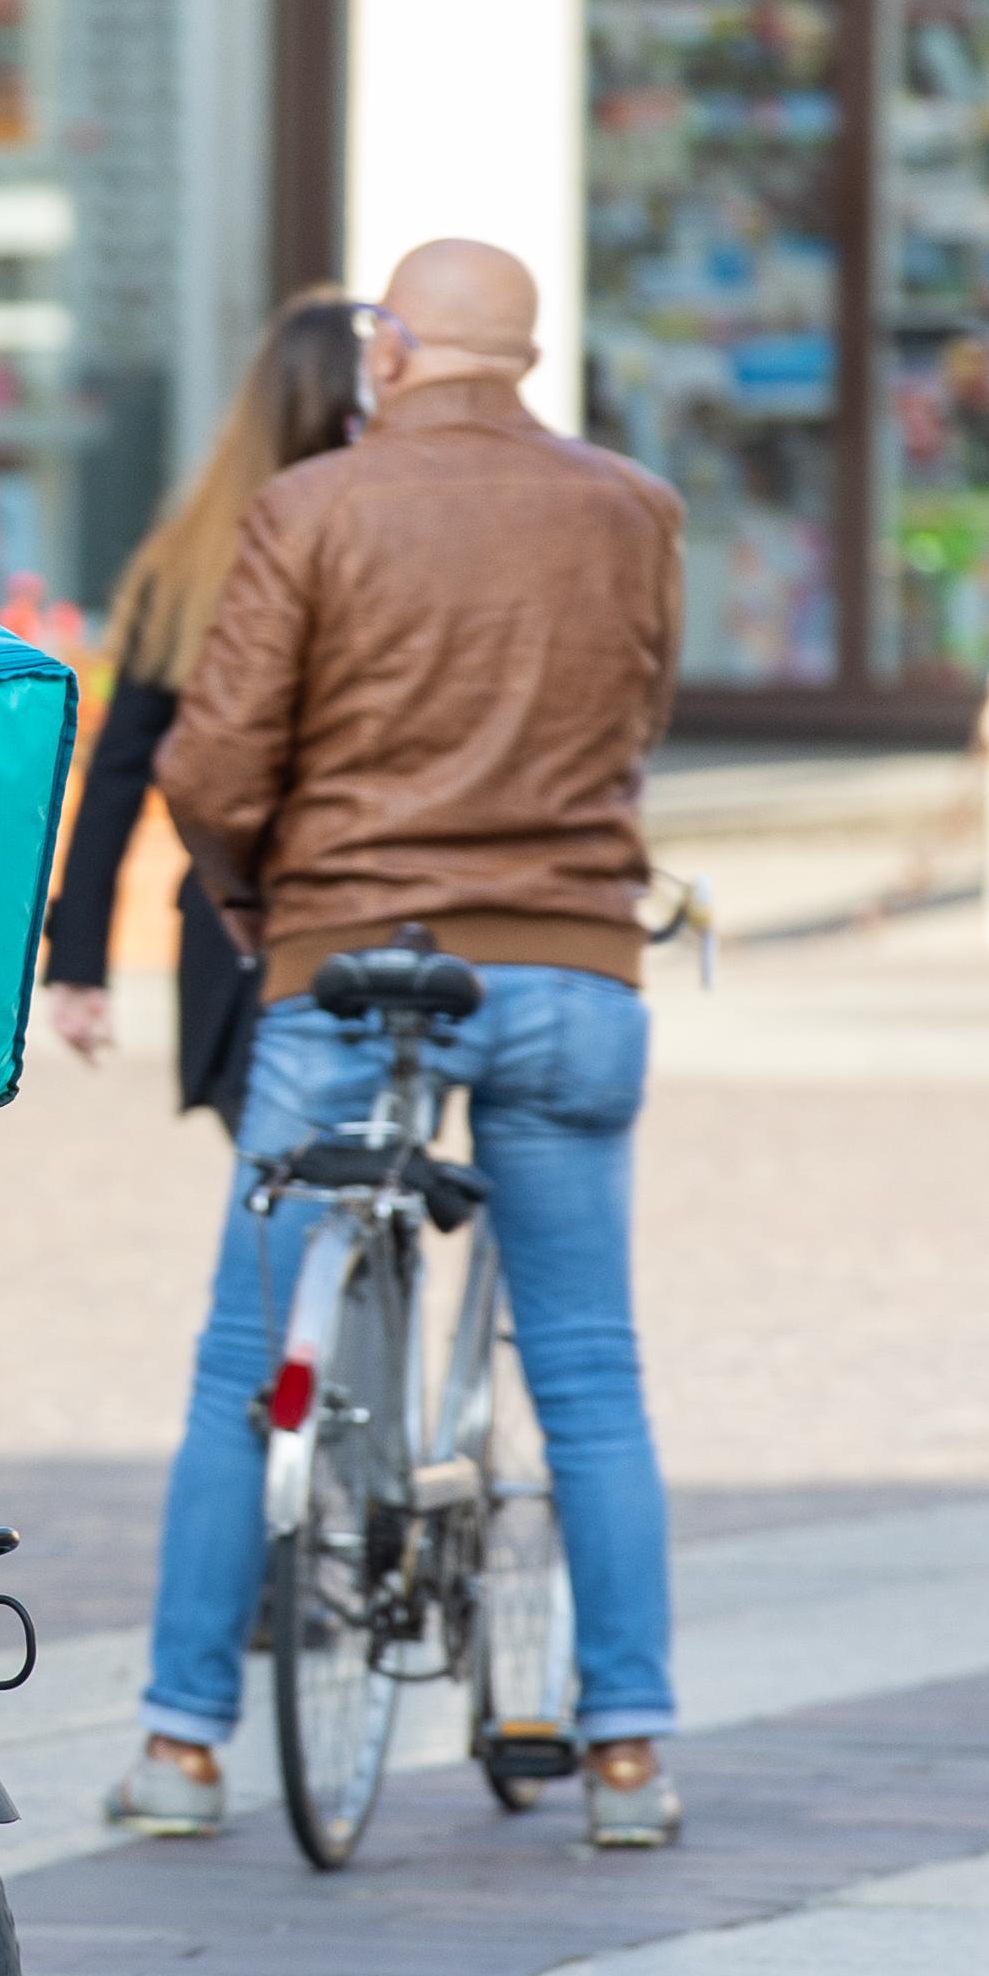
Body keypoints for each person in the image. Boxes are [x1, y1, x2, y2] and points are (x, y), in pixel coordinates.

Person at [104, 239, 688, 1849]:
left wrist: (246, 899)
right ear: (526, 354)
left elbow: (216, 762)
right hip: (571, 964)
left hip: (345, 966)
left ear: (399, 349)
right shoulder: (632, 510)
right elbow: (636, 715)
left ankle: (181, 1746)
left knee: (243, 1366)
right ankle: (628, 1750)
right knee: (585, 1368)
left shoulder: (311, 509)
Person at [39, 294, 366, 1134]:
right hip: (380, 907)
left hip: (237, 928)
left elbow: (118, 774)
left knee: (278, 1205)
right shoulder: (392, 546)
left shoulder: (192, 559)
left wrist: (80, 965)